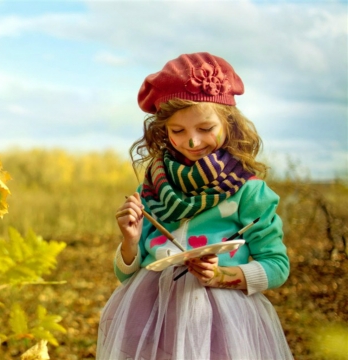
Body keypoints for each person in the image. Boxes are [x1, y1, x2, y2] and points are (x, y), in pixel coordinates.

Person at [96, 52, 293, 360]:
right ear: (163, 131)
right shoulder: (151, 188)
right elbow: (126, 277)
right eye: (178, 131)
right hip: (151, 317)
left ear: (229, 123)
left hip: (222, 324)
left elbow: (278, 267)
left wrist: (223, 276)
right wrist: (130, 241)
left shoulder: (248, 190)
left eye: (205, 128)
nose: (191, 142)